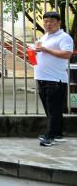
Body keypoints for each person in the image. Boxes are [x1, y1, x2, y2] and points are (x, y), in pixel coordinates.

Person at [35, 11, 74, 146]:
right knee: (50, 109)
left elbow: (67, 54)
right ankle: (57, 133)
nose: (48, 24)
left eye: (51, 21)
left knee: (53, 110)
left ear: (59, 23)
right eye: (45, 21)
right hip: (42, 78)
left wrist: (46, 50)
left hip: (55, 79)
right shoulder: (45, 36)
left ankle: (50, 136)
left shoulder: (64, 37)